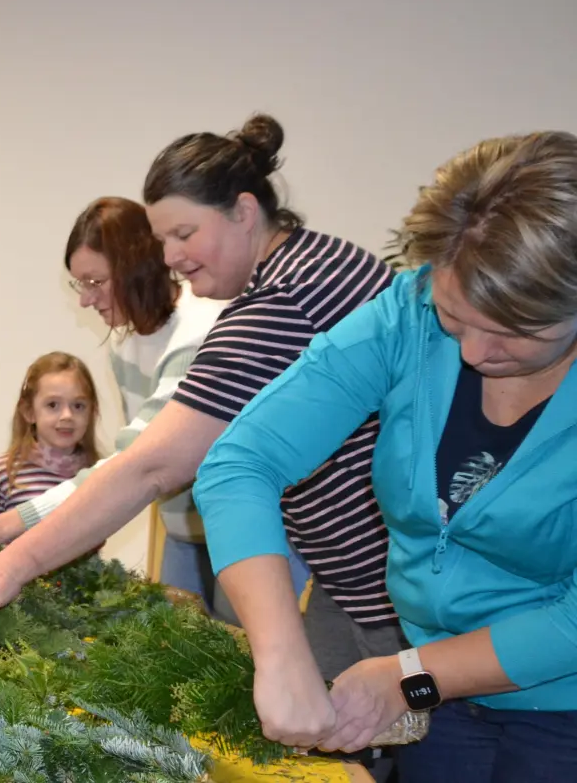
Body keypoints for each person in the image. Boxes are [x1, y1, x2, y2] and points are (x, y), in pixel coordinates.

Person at [0, 115, 400, 690]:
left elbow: (152, 464)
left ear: (244, 212)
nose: (170, 257)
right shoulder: (323, 259)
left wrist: (11, 563)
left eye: (184, 234)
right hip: (360, 576)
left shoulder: (278, 303)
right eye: (162, 240)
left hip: (391, 586)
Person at [194, 132, 577, 780]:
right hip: (443, 702)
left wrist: (409, 678)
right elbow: (242, 464)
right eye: (456, 320)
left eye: (517, 333)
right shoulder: (408, 313)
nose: (476, 354)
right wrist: (280, 651)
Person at [0, 197, 240, 607]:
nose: (85, 300)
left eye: (95, 282)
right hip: (183, 527)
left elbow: (134, 464)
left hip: (240, 523)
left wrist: (5, 526)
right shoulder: (126, 343)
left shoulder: (198, 334)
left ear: (135, 270)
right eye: (81, 284)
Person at [0, 352, 101, 518]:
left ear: (91, 411)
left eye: (78, 406)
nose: (67, 415)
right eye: (52, 405)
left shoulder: (101, 472)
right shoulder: (0, 473)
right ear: (29, 412)